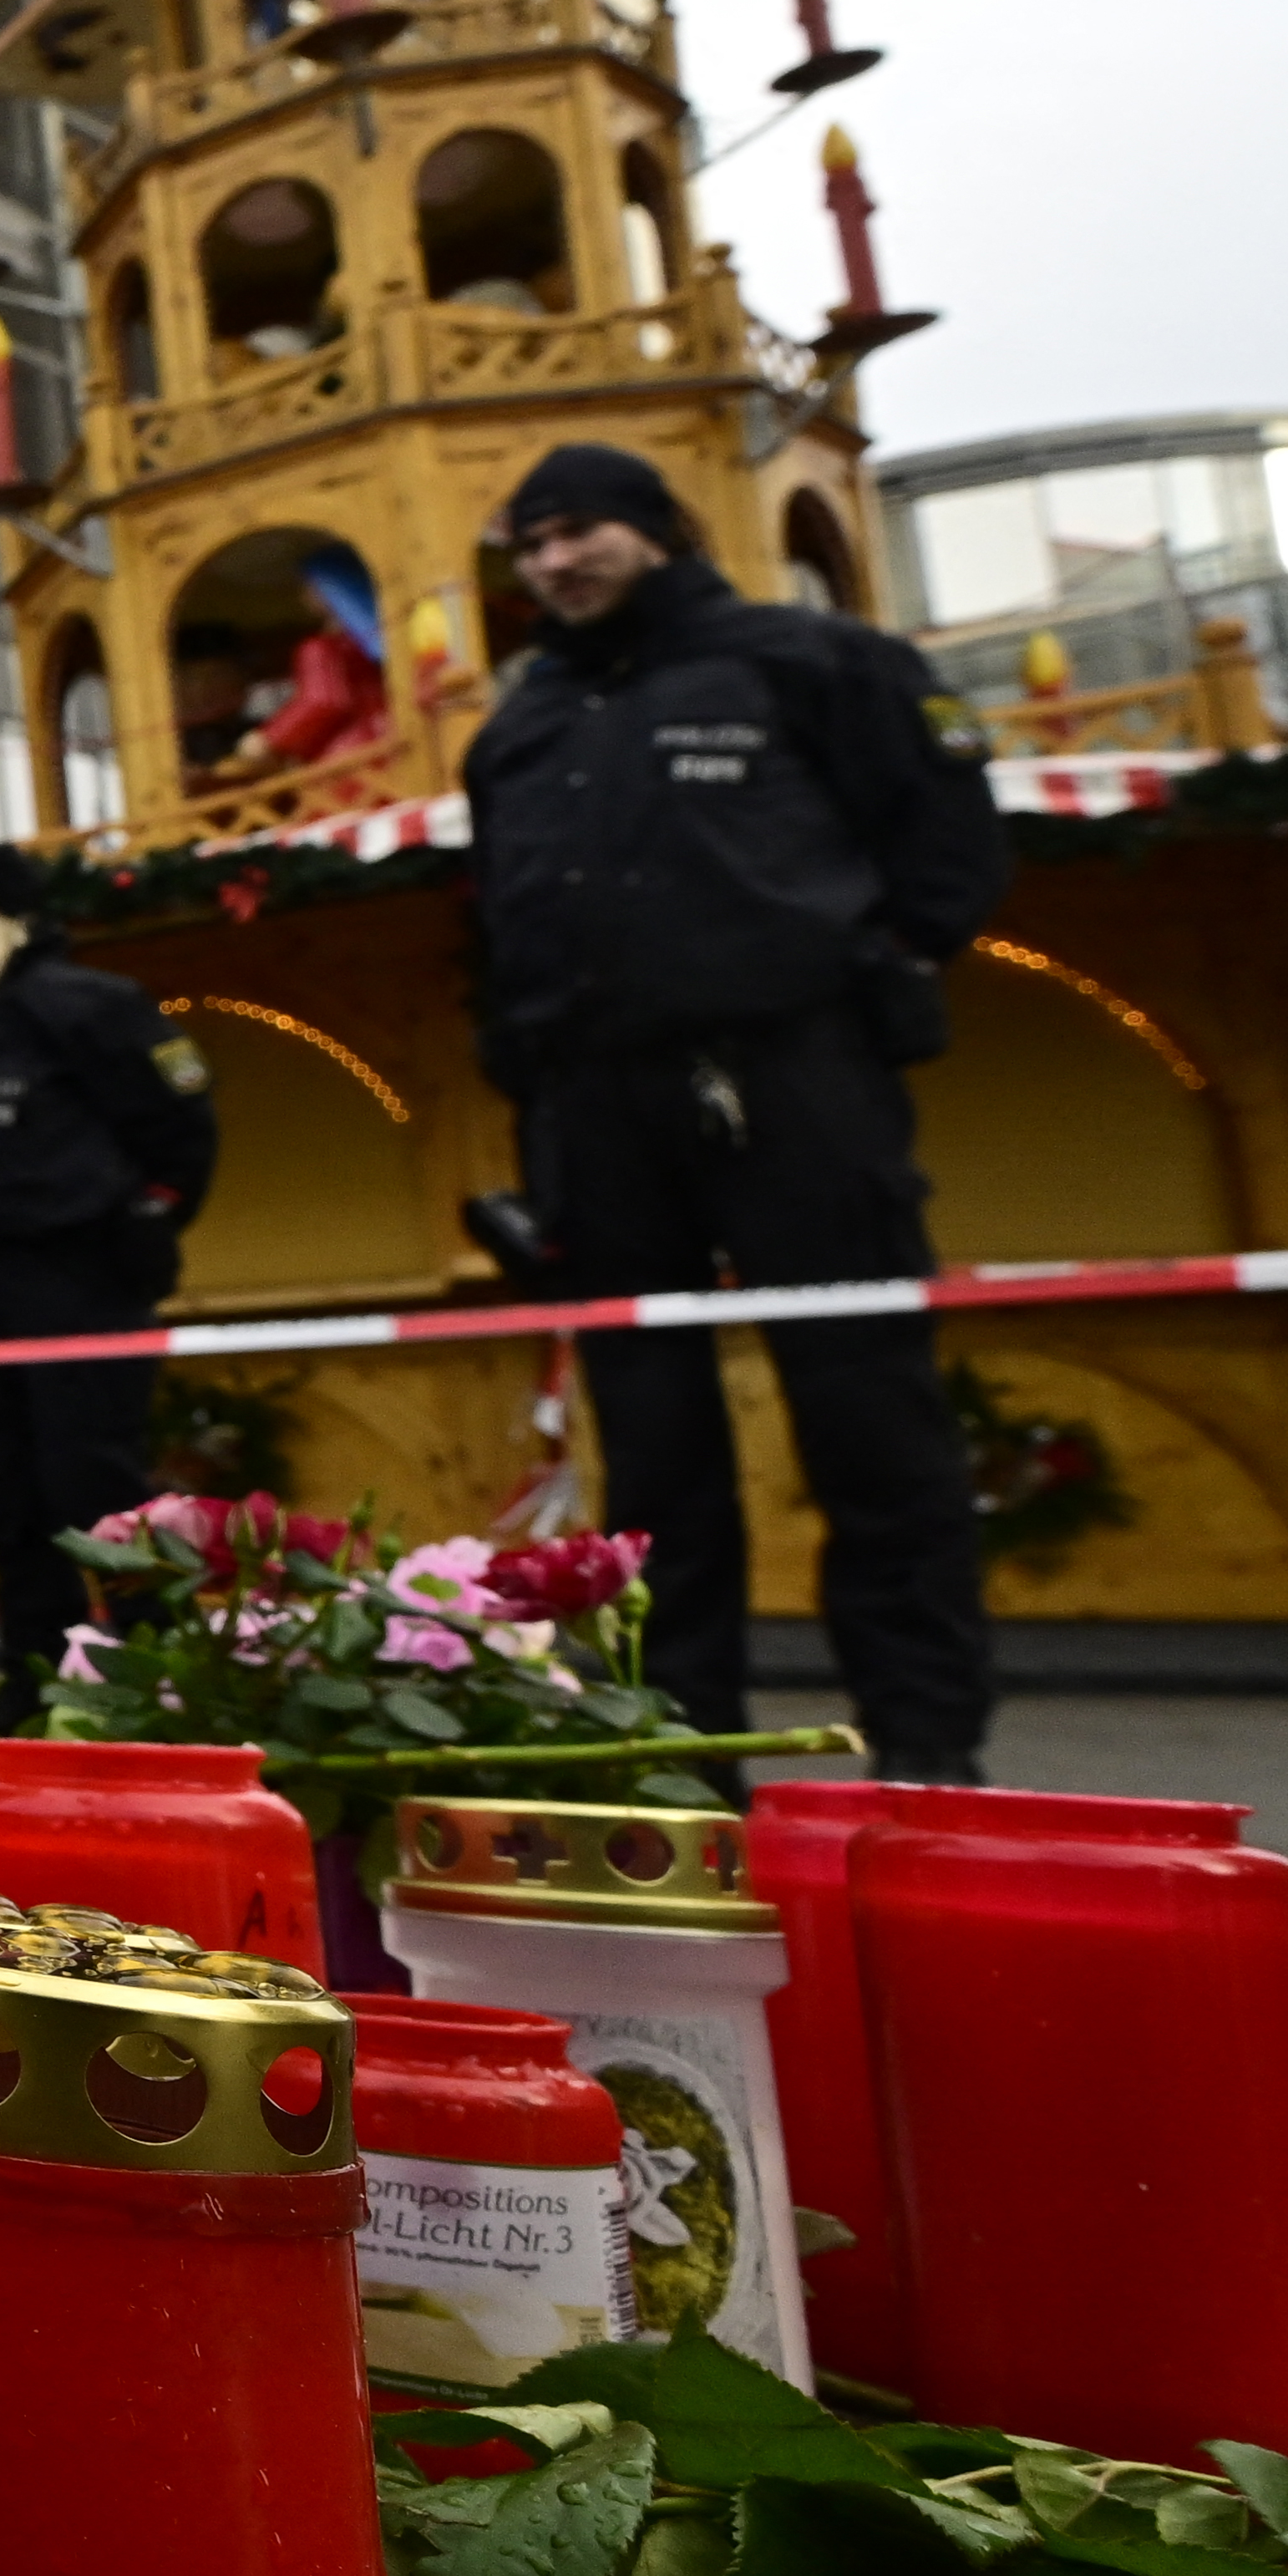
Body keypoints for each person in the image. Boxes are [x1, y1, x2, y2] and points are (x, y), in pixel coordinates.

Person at [460, 439, 1009, 1781]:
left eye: (579, 530)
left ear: (656, 529)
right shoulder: (519, 725)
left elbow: (950, 836)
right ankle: (675, 1749)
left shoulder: (811, 661)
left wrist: (871, 972)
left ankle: (927, 1748)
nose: (553, 562)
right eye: (531, 544)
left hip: (794, 1078)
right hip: (598, 1108)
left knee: (871, 1418)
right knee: (652, 1458)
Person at [0, 843, 216, 1722]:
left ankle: (159, 1685)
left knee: (96, 1490)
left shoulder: (86, 1004)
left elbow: (181, 1117)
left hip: (75, 1279)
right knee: (7, 1501)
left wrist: (150, 1215)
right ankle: (35, 1694)